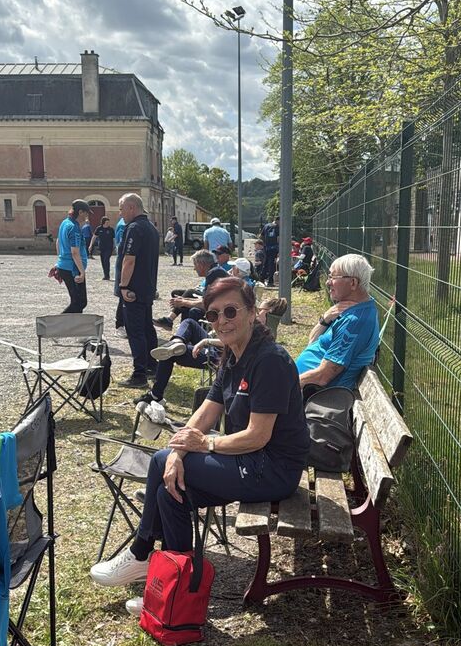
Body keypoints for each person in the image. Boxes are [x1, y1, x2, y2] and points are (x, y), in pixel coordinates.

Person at [89, 277, 310, 604]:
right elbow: (206, 412)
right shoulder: (233, 355)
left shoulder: (269, 360)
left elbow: (258, 436)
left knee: (159, 462)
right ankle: (177, 592)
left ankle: (141, 552)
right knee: (171, 493)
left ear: (252, 313)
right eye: (213, 314)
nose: (222, 321)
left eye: (231, 311)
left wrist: (202, 445)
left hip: (274, 469)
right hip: (248, 459)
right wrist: (178, 452)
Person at [295, 253, 379, 394]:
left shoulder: (355, 321)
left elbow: (323, 377)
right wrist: (325, 319)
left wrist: (288, 384)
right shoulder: (352, 309)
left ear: (353, 283)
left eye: (333, 277)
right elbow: (312, 343)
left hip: (314, 395)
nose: (328, 282)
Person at [117, 192, 160, 388]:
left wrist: (123, 286)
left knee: (135, 331)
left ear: (132, 208)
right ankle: (152, 366)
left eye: (122, 209)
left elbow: (129, 259)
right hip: (147, 287)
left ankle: (139, 374)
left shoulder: (134, 228)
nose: (120, 213)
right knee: (146, 327)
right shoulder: (151, 228)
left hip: (133, 289)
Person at [155, 250, 218, 329]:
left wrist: (184, 302)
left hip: (218, 311)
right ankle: (181, 329)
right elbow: (205, 299)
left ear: (201, 264)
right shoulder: (214, 271)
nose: (194, 268)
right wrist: (184, 300)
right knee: (185, 300)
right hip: (216, 306)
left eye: (195, 265)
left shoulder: (213, 274)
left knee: (188, 297)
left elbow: (205, 304)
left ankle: (174, 323)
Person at [56, 199, 90, 313]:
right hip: (72, 269)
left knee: (79, 302)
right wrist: (82, 272)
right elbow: (75, 252)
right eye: (86, 213)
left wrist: (60, 260)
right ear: (80, 212)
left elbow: (58, 242)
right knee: (79, 302)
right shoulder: (74, 228)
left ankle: (74, 324)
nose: (87, 216)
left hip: (65, 266)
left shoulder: (65, 222)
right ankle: (57, 322)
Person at [261, 217, 280, 286]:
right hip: (274, 248)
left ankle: (261, 278)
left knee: (266, 263)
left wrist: (264, 244)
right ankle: (270, 281)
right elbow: (278, 239)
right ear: (277, 220)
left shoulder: (266, 226)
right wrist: (279, 249)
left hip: (266, 248)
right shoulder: (277, 227)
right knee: (272, 265)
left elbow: (261, 236)